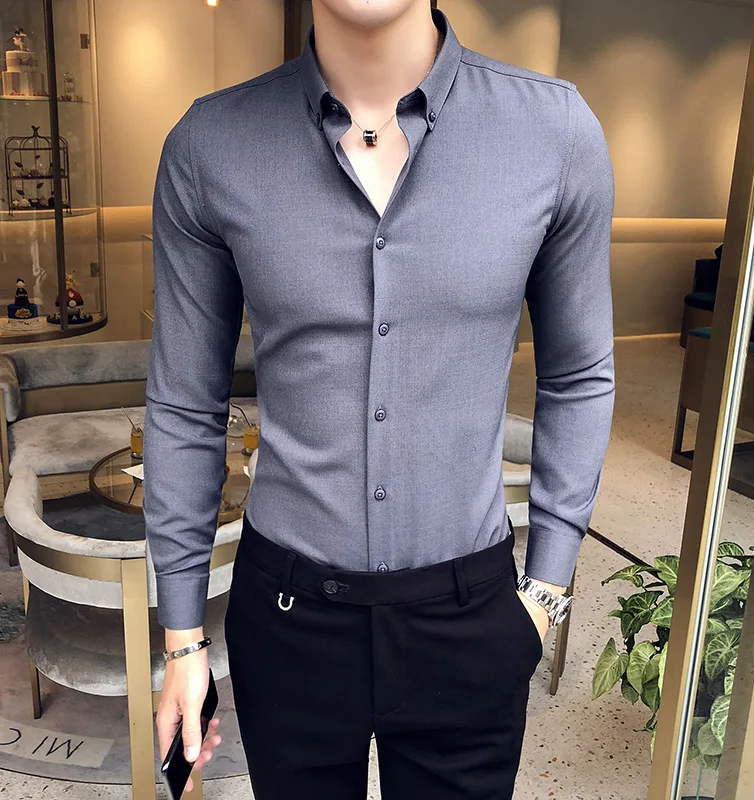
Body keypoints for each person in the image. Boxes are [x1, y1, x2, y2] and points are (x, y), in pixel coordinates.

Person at [143, 1, 615, 797]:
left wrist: (546, 593)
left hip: (470, 616)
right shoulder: (210, 145)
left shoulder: (554, 133)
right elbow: (187, 403)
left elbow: (578, 375)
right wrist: (183, 641)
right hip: (286, 620)